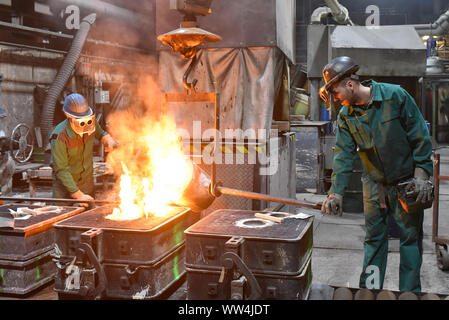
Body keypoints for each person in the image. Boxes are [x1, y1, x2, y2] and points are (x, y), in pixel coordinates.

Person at [319, 56, 433, 292]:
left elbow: (420, 135)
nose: (336, 100)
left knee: (410, 240)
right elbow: (342, 155)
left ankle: (410, 294)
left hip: (407, 181)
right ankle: (370, 293)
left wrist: (422, 175)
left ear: (350, 85)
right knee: (374, 241)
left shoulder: (395, 96)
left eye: (337, 93)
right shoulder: (346, 116)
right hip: (374, 185)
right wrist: (336, 193)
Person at [50, 93, 118, 207]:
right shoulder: (59, 136)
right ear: (68, 116)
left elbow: (101, 133)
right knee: (62, 218)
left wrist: (108, 140)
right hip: (65, 188)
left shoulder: (89, 124)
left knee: (88, 218)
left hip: (87, 183)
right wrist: (78, 195)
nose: (84, 124)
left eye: (86, 118)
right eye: (80, 120)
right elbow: (61, 169)